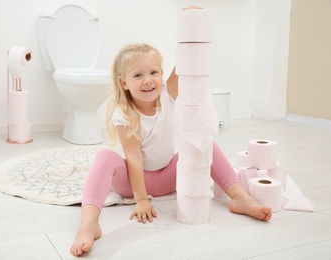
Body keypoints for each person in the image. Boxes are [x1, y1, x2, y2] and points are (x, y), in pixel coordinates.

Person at [70, 39, 272, 257]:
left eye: (153, 72)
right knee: (104, 156)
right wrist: (141, 200)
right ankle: (89, 224)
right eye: (138, 75)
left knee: (204, 143)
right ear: (124, 83)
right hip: (130, 182)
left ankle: (239, 196)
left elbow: (186, 62)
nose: (147, 80)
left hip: (166, 177)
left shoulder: (167, 94)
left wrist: (193, 27)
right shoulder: (124, 114)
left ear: (161, 74)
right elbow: (134, 159)